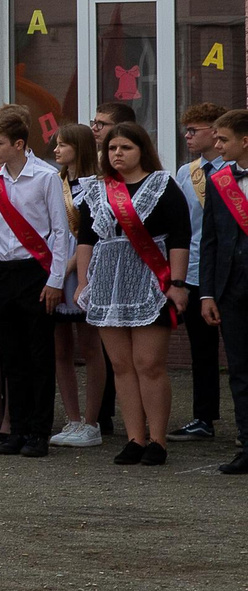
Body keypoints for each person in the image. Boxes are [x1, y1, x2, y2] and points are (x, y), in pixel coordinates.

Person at [75, 121, 192, 467]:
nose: (117, 154)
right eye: (112, 148)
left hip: (150, 281)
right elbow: (86, 240)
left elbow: (180, 237)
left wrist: (177, 283)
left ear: (142, 150)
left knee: (149, 364)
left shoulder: (162, 185)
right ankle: (134, 438)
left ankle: (158, 440)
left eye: (125, 147)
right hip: (106, 282)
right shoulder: (96, 189)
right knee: (121, 365)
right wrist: (82, 283)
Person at [0, 107, 75, 457]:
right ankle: (16, 429)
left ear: (18, 144)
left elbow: (60, 232)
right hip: (3, 272)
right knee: (11, 353)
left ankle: (38, 431)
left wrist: (55, 280)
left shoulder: (46, 177)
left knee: (39, 354)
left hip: (36, 271)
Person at [47, 122, 111, 448]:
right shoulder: (53, 182)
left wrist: (67, 268)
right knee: (60, 348)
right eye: (56, 144)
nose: (56, 150)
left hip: (84, 268)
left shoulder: (97, 186)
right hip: (55, 268)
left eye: (63, 145)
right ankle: (72, 418)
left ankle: (92, 421)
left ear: (80, 147)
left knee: (90, 346)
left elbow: (93, 235)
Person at [193, 109, 248, 474]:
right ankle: (247, 443)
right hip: (231, 289)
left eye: (223, 139)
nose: (217, 145)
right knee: (240, 370)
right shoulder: (219, 180)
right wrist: (207, 294)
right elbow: (209, 241)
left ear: (245, 140)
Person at [171, 102, 225, 441]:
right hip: (194, 270)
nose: (187, 136)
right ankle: (204, 417)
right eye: (186, 131)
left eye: (194, 130)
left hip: (231, 269)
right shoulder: (186, 172)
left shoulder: (235, 169)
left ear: (215, 132)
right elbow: (182, 225)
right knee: (201, 349)